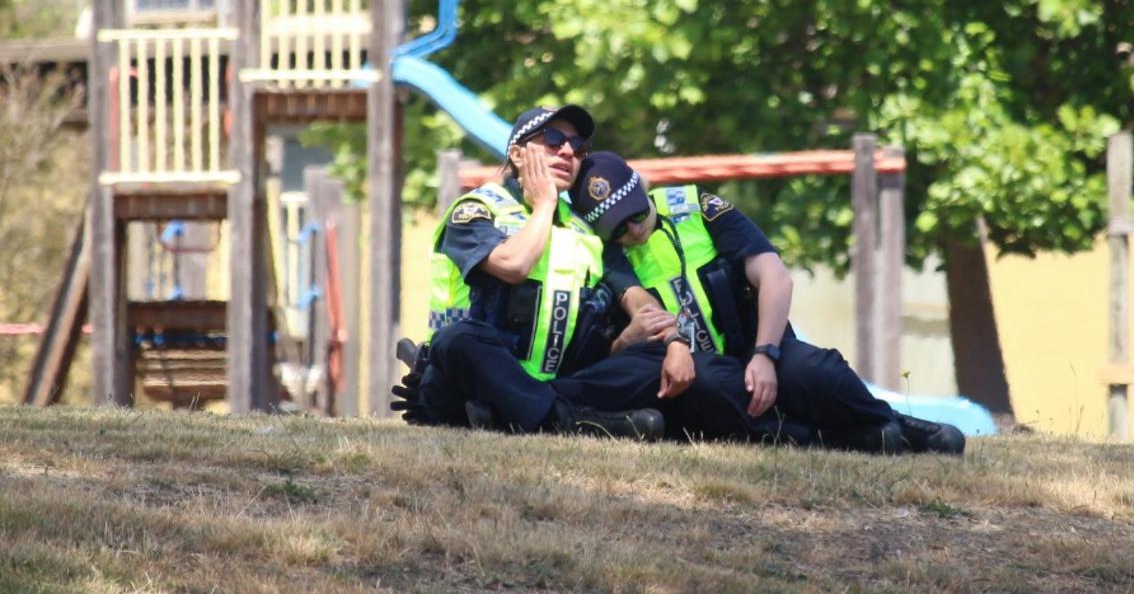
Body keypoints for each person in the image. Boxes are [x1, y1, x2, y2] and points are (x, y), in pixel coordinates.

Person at [567, 151, 966, 455]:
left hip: (756, 347)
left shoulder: (698, 209)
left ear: (642, 187)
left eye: (634, 214)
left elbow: (774, 276)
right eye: (616, 228)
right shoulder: (606, 255)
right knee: (713, 387)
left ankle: (890, 422)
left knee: (814, 370)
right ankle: (839, 439)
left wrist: (764, 354)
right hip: (697, 372)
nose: (633, 230)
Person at [391, 105, 747, 441]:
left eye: (578, 147)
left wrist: (674, 342)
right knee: (458, 339)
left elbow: (638, 299)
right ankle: (570, 422)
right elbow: (513, 266)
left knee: (650, 360)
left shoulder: (585, 230)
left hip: (557, 383)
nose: (568, 153)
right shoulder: (476, 210)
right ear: (517, 154)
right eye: (553, 141)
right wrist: (544, 203)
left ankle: (528, 414)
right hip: (469, 380)